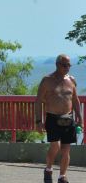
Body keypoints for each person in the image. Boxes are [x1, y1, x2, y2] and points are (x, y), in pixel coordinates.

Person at [35, 54, 83, 183]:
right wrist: (39, 121)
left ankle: (62, 176)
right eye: (64, 65)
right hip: (52, 118)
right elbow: (38, 101)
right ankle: (48, 169)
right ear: (57, 64)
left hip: (68, 118)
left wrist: (79, 116)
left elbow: (75, 99)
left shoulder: (71, 80)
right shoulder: (47, 80)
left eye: (69, 65)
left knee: (66, 149)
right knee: (55, 146)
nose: (67, 67)